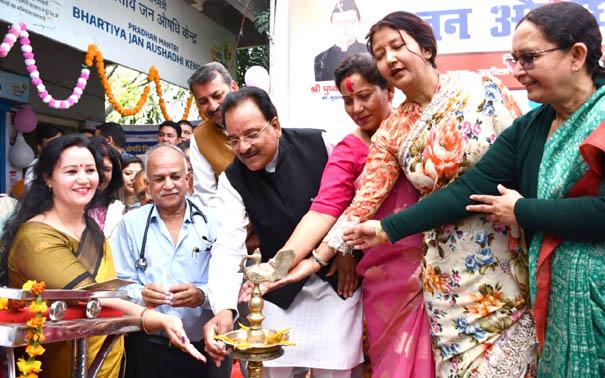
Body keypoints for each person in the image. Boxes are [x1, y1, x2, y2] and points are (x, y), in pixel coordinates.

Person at [347, 3, 605, 377]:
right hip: (553, 298)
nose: (518, 71)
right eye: (514, 59)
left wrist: (522, 211)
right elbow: (468, 189)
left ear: (577, 56)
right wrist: (387, 229)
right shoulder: (532, 127)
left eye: (529, 58)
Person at [317, 11, 538, 377]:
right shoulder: (393, 129)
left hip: (506, 253)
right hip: (446, 276)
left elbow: (525, 160)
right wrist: (314, 258)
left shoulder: (479, 87)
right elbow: (363, 199)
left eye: (397, 46)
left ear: (426, 47)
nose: (389, 58)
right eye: (379, 52)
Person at [264, 53, 434, 377]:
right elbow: (326, 208)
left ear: (390, 90)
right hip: (384, 278)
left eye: (365, 96)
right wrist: (280, 264)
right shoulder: (348, 150)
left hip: (436, 266)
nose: (356, 108)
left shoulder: (422, 131)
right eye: (347, 100)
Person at [0, 135, 204, 378]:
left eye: (90, 170)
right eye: (71, 171)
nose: (83, 179)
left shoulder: (91, 228)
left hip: (109, 360)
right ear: (48, 178)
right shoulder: (36, 238)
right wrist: (158, 319)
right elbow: (91, 294)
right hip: (60, 365)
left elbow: (116, 289)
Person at [203, 87, 363, 378]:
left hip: (335, 283)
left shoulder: (321, 143)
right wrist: (224, 308)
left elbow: (357, 200)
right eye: (233, 140)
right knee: (272, 368)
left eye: (252, 134)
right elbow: (228, 246)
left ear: (275, 125)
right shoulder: (232, 179)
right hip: (278, 291)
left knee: (336, 369)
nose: (243, 147)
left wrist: (345, 250)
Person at [112, 144, 229, 378]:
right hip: (149, 347)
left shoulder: (215, 221)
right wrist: (141, 295)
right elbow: (119, 286)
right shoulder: (131, 224)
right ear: (147, 183)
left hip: (206, 345)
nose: (168, 185)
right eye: (159, 179)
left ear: (188, 179)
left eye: (175, 177)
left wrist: (202, 295)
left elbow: (229, 281)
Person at [188, 62, 238, 207]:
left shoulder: (262, 117)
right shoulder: (200, 138)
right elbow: (207, 197)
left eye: (217, 96)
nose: (213, 106)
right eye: (203, 101)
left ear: (233, 87)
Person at [313, 0, 367, 82]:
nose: (345, 26)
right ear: (332, 24)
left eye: (350, 21)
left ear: (358, 22)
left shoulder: (370, 52)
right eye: (339, 22)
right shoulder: (321, 59)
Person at [88, 137, 125, 240]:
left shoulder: (117, 210)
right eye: (92, 168)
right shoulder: (63, 209)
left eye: (106, 169)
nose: (100, 174)